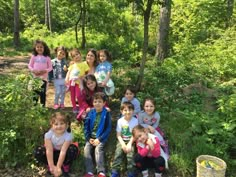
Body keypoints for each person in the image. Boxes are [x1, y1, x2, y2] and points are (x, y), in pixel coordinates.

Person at [34, 112, 79, 177]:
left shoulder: (68, 136)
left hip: (64, 154)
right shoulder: (48, 135)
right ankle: (51, 166)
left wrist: (58, 167)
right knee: (38, 151)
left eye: (62, 123)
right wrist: (51, 166)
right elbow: (49, 150)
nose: (59, 126)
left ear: (66, 125)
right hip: (52, 153)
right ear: (52, 125)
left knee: (73, 149)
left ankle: (65, 165)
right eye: (56, 124)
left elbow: (63, 151)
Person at [83, 92, 112, 177]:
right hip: (91, 138)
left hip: (101, 138)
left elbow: (108, 128)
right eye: (95, 101)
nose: (97, 103)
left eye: (99, 101)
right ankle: (90, 172)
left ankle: (101, 172)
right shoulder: (90, 112)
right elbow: (86, 126)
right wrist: (88, 138)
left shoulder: (106, 113)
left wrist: (99, 139)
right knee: (86, 149)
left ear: (104, 103)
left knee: (98, 150)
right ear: (93, 103)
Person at [111, 101, 138, 177]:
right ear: (121, 111)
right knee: (118, 153)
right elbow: (118, 135)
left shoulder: (135, 121)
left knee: (130, 155)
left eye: (130, 110)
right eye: (125, 110)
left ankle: (131, 172)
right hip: (122, 140)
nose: (128, 112)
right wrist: (123, 144)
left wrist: (129, 144)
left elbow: (135, 134)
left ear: (133, 111)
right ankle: (115, 171)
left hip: (131, 140)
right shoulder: (120, 121)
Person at [28, 39, 52, 107]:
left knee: (42, 93)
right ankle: (34, 107)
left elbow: (50, 67)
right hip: (35, 78)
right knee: (35, 93)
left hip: (43, 79)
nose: (39, 48)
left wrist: (45, 71)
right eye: (37, 47)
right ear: (35, 48)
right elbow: (29, 66)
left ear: (44, 48)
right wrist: (33, 70)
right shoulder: (33, 57)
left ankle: (42, 107)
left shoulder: (47, 57)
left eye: (41, 47)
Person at [65, 48, 89, 113]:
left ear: (80, 54)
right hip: (72, 82)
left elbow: (87, 73)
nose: (76, 56)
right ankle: (74, 107)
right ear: (72, 58)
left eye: (77, 54)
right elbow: (69, 72)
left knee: (79, 95)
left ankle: (81, 107)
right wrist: (67, 79)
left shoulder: (84, 64)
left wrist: (82, 77)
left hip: (79, 82)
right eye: (74, 56)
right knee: (72, 95)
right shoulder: (72, 65)